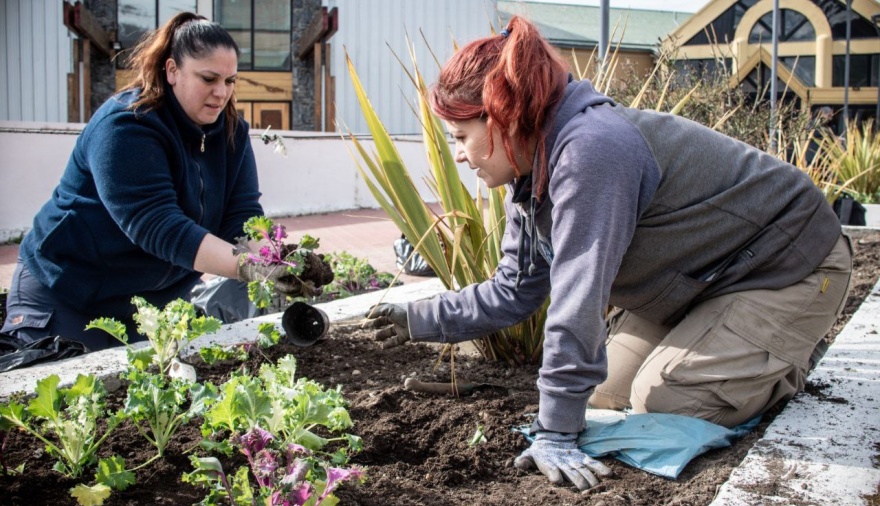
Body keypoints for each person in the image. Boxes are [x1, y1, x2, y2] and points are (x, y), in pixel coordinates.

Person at [364, 16, 852, 491]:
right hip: (701, 281)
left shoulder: (592, 151)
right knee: (606, 395)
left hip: (787, 264)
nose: (459, 155)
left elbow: (577, 304)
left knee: (668, 401)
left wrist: (555, 436)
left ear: (502, 119)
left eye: (461, 137)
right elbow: (513, 291)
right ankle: (733, 350)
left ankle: (782, 363)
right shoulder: (531, 175)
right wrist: (417, 319)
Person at [1, 13, 298, 352]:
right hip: (69, 292)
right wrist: (250, 268)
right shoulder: (127, 126)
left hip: (153, 302)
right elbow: (159, 226)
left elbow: (242, 218)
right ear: (172, 70)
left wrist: (276, 261)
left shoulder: (232, 131)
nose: (222, 93)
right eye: (209, 78)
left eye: (230, 81)